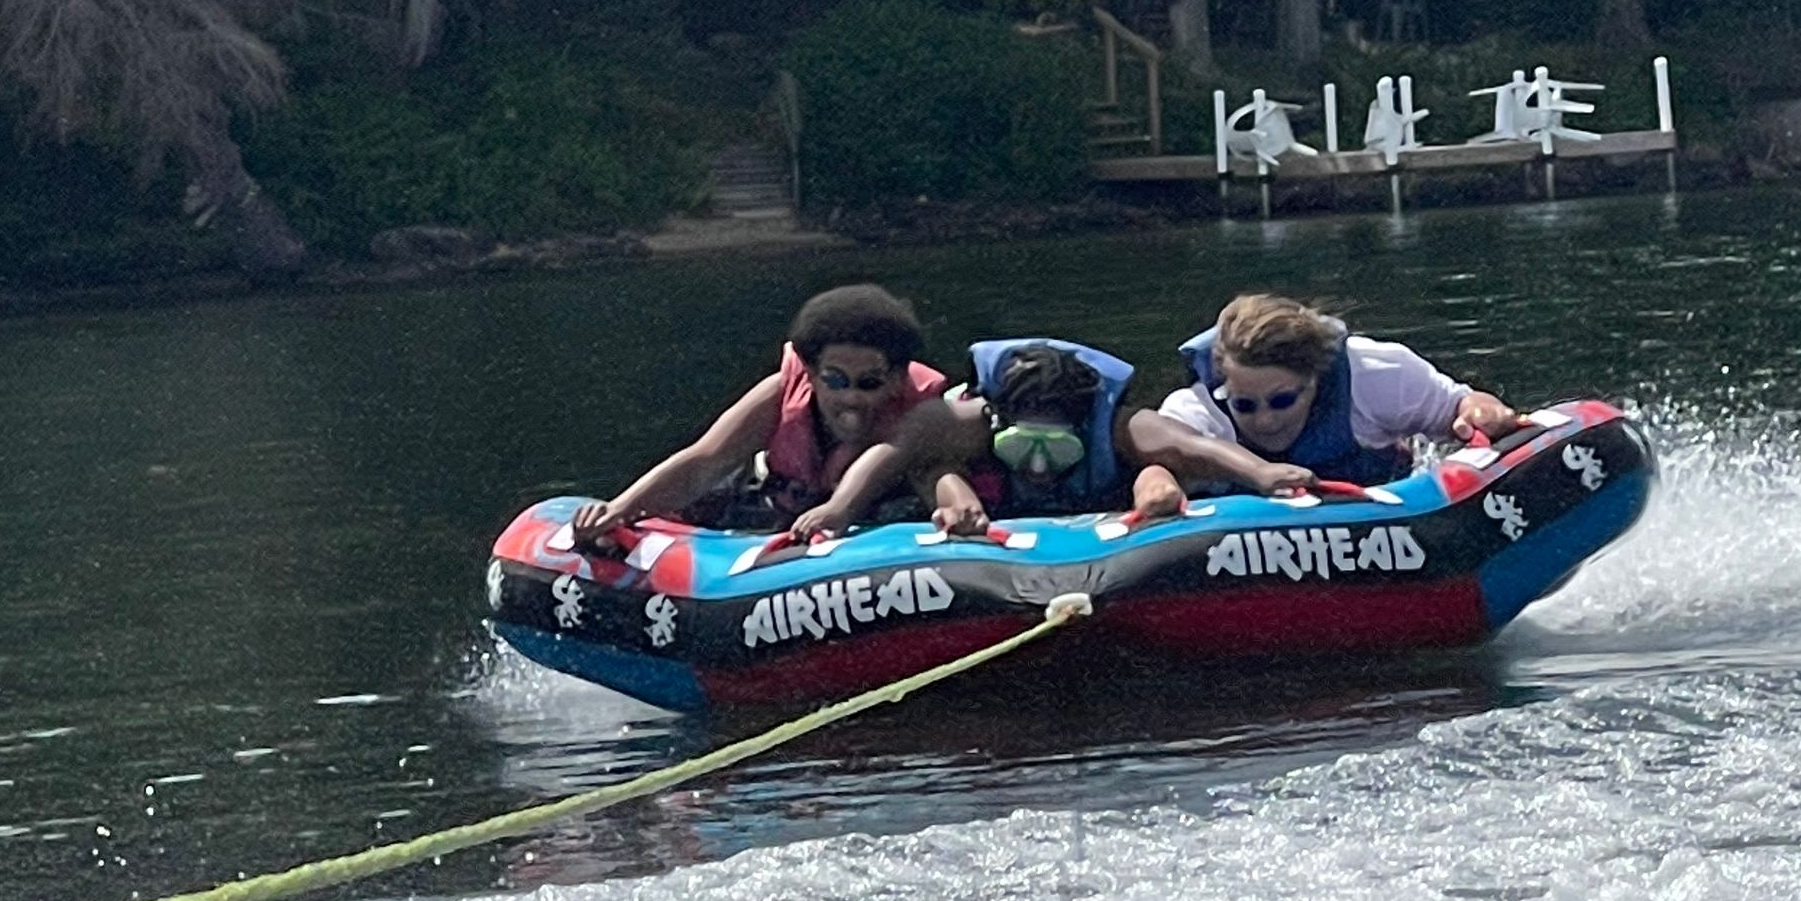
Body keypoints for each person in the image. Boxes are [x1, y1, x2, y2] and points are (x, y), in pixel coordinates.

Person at [792, 337, 1313, 539]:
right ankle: (960, 515)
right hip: (983, 510)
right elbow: (893, 453)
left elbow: (1194, 447)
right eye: (1023, 447)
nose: (1037, 467)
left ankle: (1156, 501)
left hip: (1106, 508)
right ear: (997, 424)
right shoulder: (964, 422)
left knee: (1156, 468)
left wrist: (1261, 473)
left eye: (1056, 450)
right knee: (936, 470)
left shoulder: (1116, 426)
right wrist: (840, 509)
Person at [570, 284, 947, 543]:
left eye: (869, 383)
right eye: (835, 380)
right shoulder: (782, 392)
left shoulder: (920, 415)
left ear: (898, 379)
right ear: (812, 374)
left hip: (874, 534)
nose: (850, 398)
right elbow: (704, 462)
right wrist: (619, 509)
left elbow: (940, 475)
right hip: (780, 519)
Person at [1159, 293, 1521, 484]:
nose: (1266, 421)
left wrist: (1479, 410)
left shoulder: (1377, 374)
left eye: (1282, 400)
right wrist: (1156, 485)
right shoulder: (1196, 413)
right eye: (1245, 405)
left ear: (1315, 377)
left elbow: (1461, 405)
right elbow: (1153, 468)